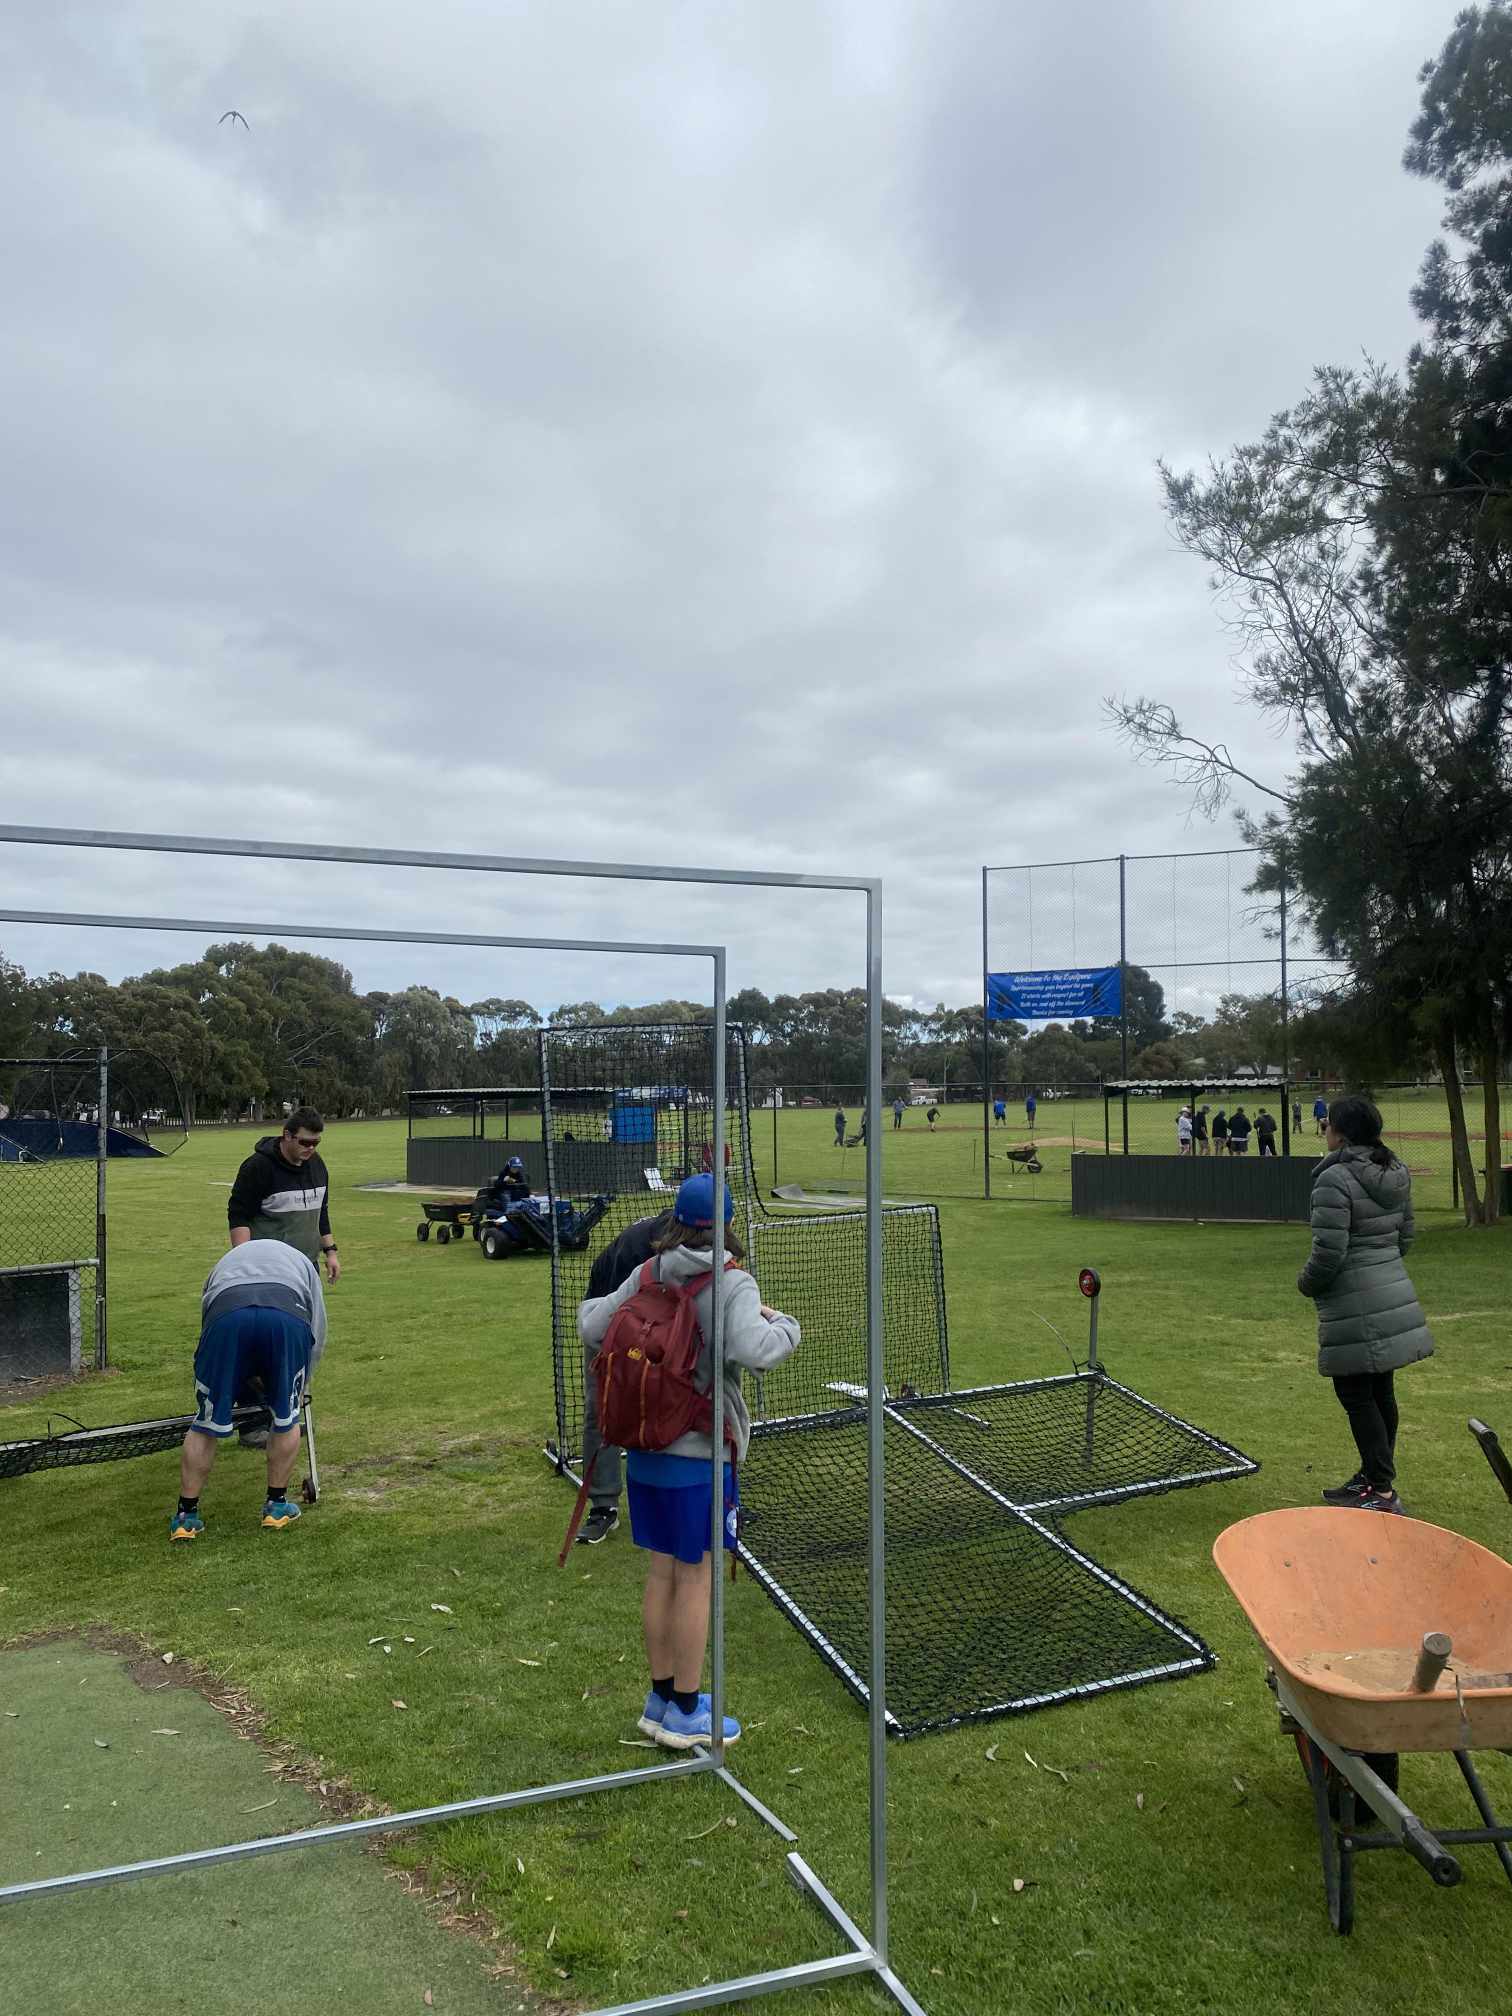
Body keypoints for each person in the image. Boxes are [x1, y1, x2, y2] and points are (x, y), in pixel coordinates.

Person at [576, 1174, 798, 1749]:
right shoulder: (731, 1282)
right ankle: (686, 1711)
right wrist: (786, 1325)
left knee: (662, 1573)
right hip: (698, 1454)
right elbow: (758, 1351)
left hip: (644, 1453)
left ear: (675, 1218)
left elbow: (590, 1325)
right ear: (723, 1223)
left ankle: (659, 1702)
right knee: (696, 1578)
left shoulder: (649, 1271)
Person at [1298, 1096, 1432, 1514]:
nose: (1325, 1132)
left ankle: (1381, 1488)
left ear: (1341, 1132)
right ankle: (1373, 1477)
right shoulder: (1394, 1170)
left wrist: (1306, 1283)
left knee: (1355, 1391)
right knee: (1378, 1388)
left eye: (1329, 1125)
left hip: (1355, 1300)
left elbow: (1329, 1251)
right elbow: (1405, 1237)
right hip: (1389, 1288)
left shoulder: (1334, 1178)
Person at [170, 1239, 325, 1539]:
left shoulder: (227, 1261)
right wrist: (301, 1384)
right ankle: (276, 1506)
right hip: (286, 1315)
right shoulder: (303, 1264)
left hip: (226, 1315)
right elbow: (315, 1327)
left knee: (205, 1423)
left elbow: (209, 1315)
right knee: (285, 1417)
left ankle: (185, 1517)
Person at [227, 1108, 339, 1447]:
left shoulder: (317, 1165)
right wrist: (242, 1263)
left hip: (305, 1270)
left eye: (317, 1142)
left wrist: (331, 1250)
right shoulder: (257, 1168)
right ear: (286, 1135)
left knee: (301, 1342)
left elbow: (321, 1211)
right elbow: (239, 1213)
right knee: (258, 1345)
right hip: (267, 1274)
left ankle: (283, 1416)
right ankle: (250, 1426)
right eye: (305, 1142)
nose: (311, 1149)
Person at [574, 1205, 676, 1544]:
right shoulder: (640, 1250)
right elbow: (611, 1318)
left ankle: (673, 1495)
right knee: (603, 1409)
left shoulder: (693, 1243)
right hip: (608, 1316)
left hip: (652, 1319)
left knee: (669, 1402)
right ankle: (603, 1506)